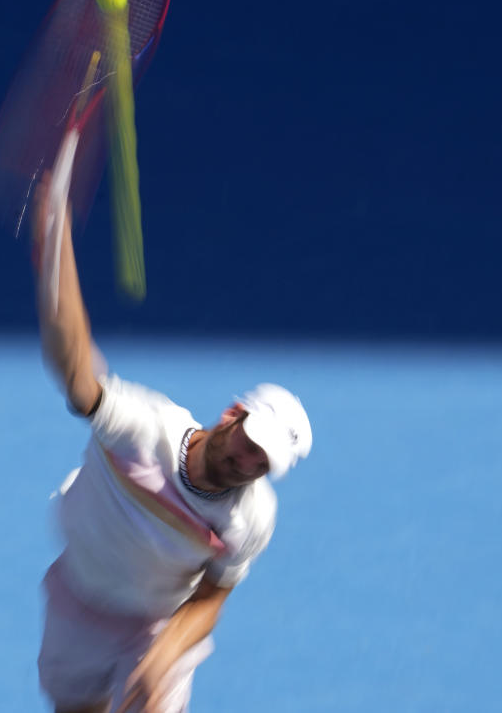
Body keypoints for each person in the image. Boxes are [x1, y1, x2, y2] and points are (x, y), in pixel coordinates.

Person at [31, 180, 313, 713]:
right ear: (233, 415)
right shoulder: (145, 428)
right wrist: (57, 239)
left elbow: (211, 599)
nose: (246, 462)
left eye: (263, 462)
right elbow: (75, 371)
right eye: (250, 442)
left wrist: (166, 651)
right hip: (82, 598)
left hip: (158, 625)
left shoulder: (252, 517)